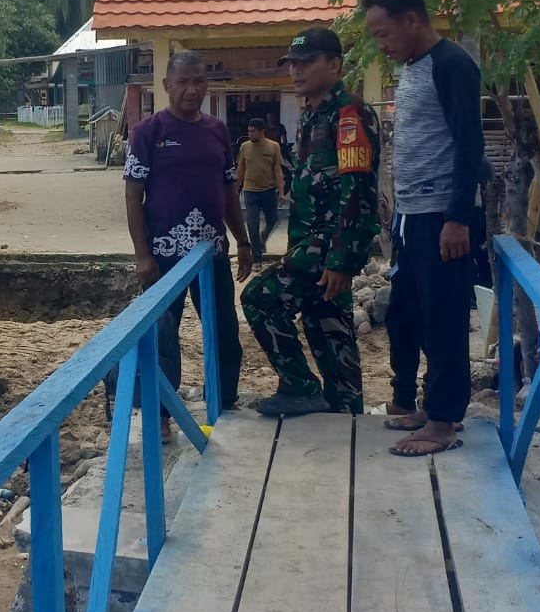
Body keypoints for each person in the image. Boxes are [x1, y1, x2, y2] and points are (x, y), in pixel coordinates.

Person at [362, 0, 484, 456]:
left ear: (410, 20)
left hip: (442, 217)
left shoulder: (452, 64)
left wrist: (458, 218)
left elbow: (469, 143)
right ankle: (431, 407)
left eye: (383, 33)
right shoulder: (413, 67)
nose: (381, 44)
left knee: (444, 317)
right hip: (411, 216)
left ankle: (444, 422)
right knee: (409, 314)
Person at [243, 28, 381, 417]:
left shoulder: (349, 114)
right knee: (328, 329)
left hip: (328, 245)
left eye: (306, 63)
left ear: (334, 64)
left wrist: (342, 259)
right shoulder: (311, 115)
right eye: (292, 64)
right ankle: (346, 414)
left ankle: (299, 386)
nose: (296, 71)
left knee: (260, 298)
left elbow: (358, 190)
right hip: (311, 241)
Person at [124, 51, 251, 438]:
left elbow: (229, 192)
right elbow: (133, 196)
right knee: (161, 335)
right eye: (182, 82)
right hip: (163, 257)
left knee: (224, 331)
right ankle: (160, 415)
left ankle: (223, 405)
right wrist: (142, 255)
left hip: (211, 254)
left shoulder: (217, 131)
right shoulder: (148, 132)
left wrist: (243, 241)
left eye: (198, 81)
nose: (191, 90)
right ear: (167, 85)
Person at [235, 117, 286, 262]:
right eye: (249, 131)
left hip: (268, 190)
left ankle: (263, 238)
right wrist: (235, 188)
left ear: (262, 131)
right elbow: (240, 169)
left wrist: (281, 192)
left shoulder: (274, 146)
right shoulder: (245, 147)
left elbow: (277, 170)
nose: (250, 134)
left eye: (253, 131)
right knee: (252, 225)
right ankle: (257, 258)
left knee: (273, 220)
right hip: (250, 191)